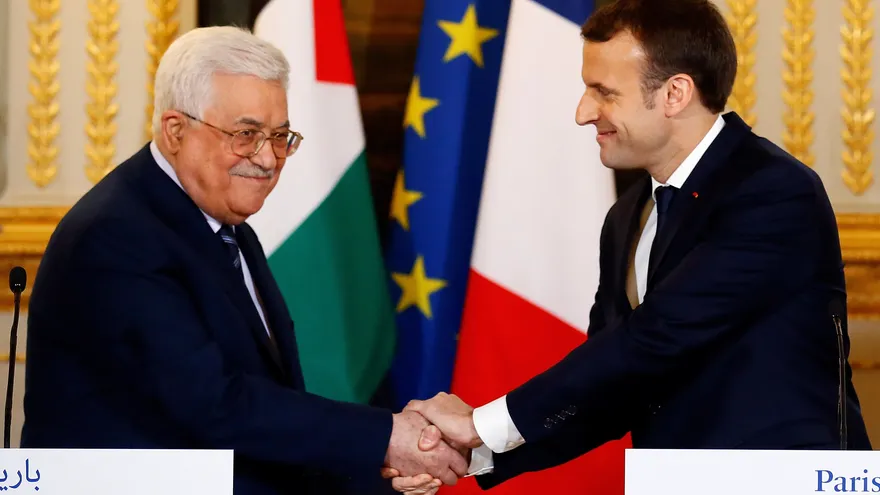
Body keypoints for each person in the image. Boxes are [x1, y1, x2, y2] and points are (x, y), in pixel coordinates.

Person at [386, 0, 872, 492]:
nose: (582, 113)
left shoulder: (771, 190)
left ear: (675, 93)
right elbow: (613, 388)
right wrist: (472, 455)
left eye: (603, 92)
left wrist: (479, 424)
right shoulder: (629, 214)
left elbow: (654, 341)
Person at [21, 26, 467, 495]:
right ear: (175, 130)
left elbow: (264, 405)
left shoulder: (226, 225)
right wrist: (387, 438)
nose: (269, 158)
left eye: (279, 136)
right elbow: (216, 406)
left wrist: (376, 469)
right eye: (247, 134)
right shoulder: (117, 234)